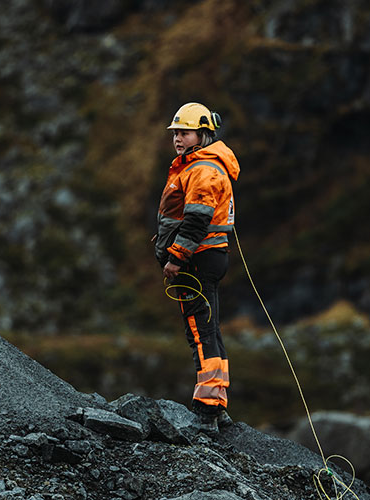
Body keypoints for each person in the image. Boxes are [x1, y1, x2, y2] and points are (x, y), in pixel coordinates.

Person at [154, 102, 241, 434]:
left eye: (184, 132)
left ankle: (206, 412)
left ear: (203, 134)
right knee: (210, 329)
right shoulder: (197, 165)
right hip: (210, 257)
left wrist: (175, 258)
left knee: (200, 331)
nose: (177, 138)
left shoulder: (202, 170)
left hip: (198, 259)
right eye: (175, 132)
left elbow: (195, 221)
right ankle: (218, 404)